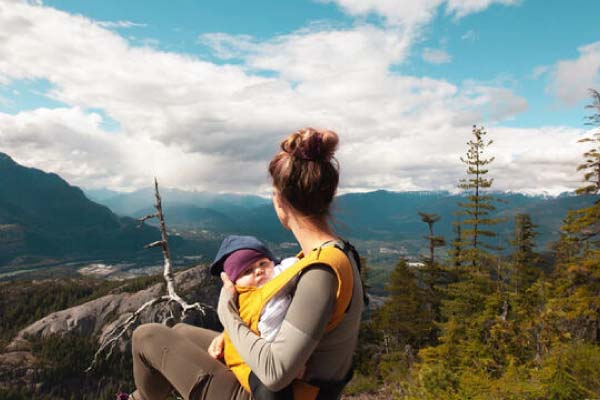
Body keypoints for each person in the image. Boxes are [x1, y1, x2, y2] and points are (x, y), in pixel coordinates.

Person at [126, 127, 365, 400]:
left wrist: (226, 311)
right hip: (284, 385)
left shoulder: (321, 272)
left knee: (147, 337)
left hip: (273, 394)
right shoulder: (335, 254)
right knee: (180, 331)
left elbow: (276, 372)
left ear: (280, 201)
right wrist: (232, 338)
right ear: (329, 197)